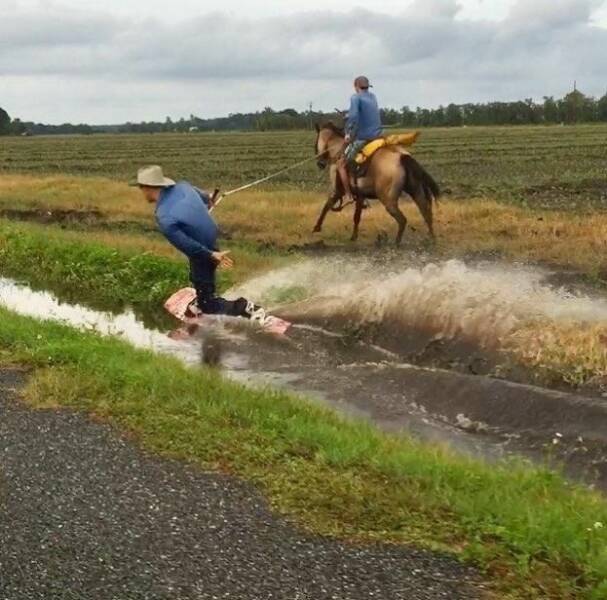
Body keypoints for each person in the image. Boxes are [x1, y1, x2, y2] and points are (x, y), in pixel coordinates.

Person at [132, 165, 265, 321]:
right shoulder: (183, 186)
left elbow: (187, 246)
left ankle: (245, 308)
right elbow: (206, 198)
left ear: (147, 187)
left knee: (208, 303)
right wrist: (209, 201)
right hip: (211, 236)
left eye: (140, 188)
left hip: (202, 249)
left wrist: (211, 255)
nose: (141, 192)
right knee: (199, 278)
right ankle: (202, 299)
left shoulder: (164, 217)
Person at [338, 75, 383, 205]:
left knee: (341, 163)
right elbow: (365, 113)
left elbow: (354, 117)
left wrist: (347, 133)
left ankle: (348, 195)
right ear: (368, 86)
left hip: (364, 137)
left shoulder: (355, 97)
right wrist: (349, 114)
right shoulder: (373, 96)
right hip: (378, 135)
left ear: (356, 86)